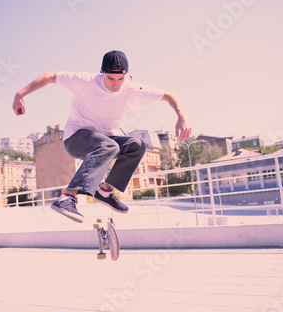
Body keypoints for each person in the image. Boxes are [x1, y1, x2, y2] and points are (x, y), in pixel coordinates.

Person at [12, 50, 191, 223]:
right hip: (76, 138)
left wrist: (182, 117)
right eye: (110, 78)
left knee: (136, 145)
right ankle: (66, 198)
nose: (115, 84)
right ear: (102, 73)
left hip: (103, 142)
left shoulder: (133, 89)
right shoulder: (86, 81)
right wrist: (20, 94)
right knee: (109, 146)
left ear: (127, 76)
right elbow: (50, 76)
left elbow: (169, 95)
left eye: (120, 79)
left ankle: (105, 192)